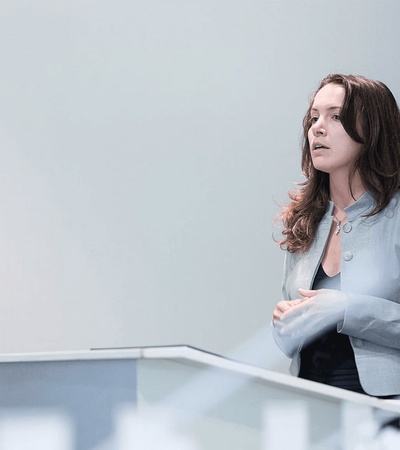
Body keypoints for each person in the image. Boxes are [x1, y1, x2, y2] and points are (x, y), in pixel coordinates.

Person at [272, 73, 400, 398]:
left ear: (372, 129)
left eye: (336, 116)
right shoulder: (305, 220)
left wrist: (347, 309)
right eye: (313, 117)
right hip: (312, 411)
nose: (317, 127)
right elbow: (296, 344)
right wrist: (286, 324)